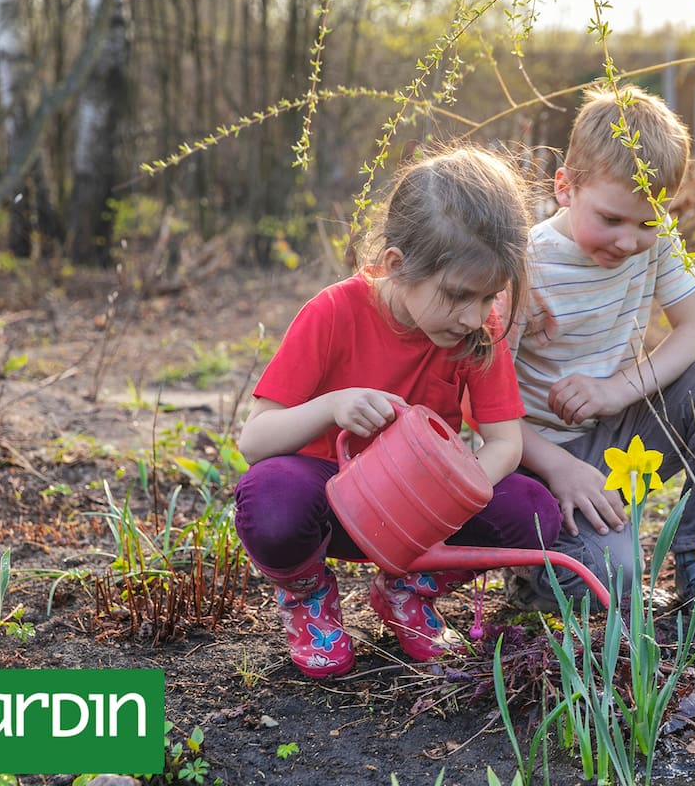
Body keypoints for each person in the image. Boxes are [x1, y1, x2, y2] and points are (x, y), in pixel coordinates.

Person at [234, 146, 561, 679]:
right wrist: (332, 406)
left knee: (532, 510)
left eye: (490, 298)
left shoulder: (479, 329)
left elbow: (505, 442)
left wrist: (457, 495)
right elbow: (256, 441)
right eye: (458, 295)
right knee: (270, 498)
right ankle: (309, 597)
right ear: (394, 265)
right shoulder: (333, 312)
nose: (475, 316)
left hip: (421, 514)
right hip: (334, 505)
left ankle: (405, 593)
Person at [503, 84, 695, 624]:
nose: (628, 241)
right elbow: (480, 409)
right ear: (565, 188)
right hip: (533, 460)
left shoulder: (659, 240)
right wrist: (558, 466)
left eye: (648, 221)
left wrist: (614, 390)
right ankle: (533, 573)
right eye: (611, 219)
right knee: (611, 581)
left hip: (618, 440)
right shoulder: (522, 264)